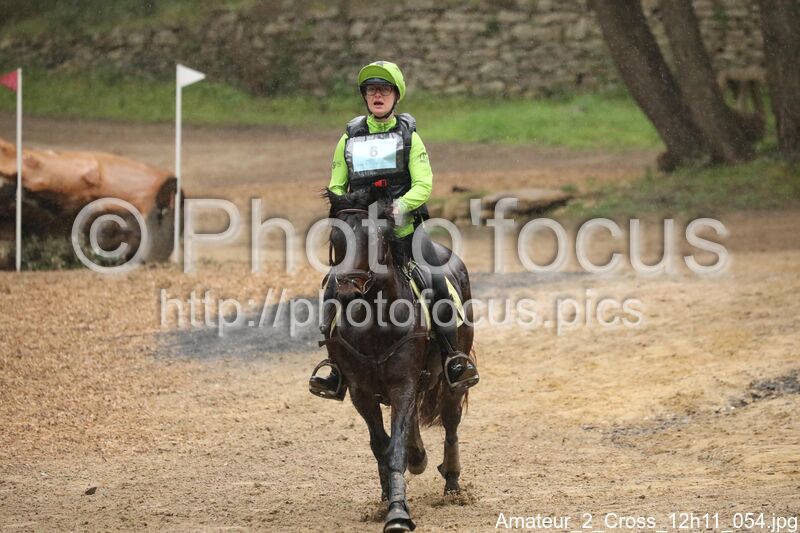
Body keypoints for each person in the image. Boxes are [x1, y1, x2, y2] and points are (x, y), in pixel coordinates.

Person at [308, 60, 479, 401]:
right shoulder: (349, 138)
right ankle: (335, 367)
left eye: (384, 90)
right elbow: (336, 184)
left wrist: (400, 205)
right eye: (372, 90)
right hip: (362, 233)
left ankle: (452, 358)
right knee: (334, 286)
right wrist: (349, 207)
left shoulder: (409, 137)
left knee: (436, 280)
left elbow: (423, 184)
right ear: (365, 96)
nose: (378, 95)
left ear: (395, 96)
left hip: (403, 232)